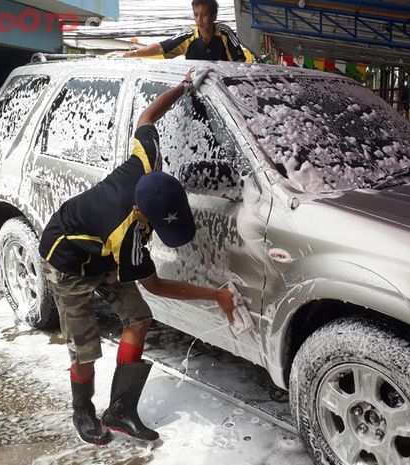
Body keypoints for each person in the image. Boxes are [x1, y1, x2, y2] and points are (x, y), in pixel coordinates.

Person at [39, 68, 237, 445]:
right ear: (142, 214)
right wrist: (216, 296)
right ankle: (83, 413)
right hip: (66, 263)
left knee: (138, 318)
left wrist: (181, 87)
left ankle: (121, 410)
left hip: (101, 250)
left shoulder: (146, 163)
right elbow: (157, 285)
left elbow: (147, 117)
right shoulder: (126, 235)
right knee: (85, 349)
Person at [113, 0, 245, 62]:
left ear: (214, 17)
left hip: (224, 88)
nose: (199, 19)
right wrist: (130, 54)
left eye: (204, 15)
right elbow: (160, 48)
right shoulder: (188, 35)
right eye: (196, 14)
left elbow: (239, 61)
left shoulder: (225, 32)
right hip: (196, 87)